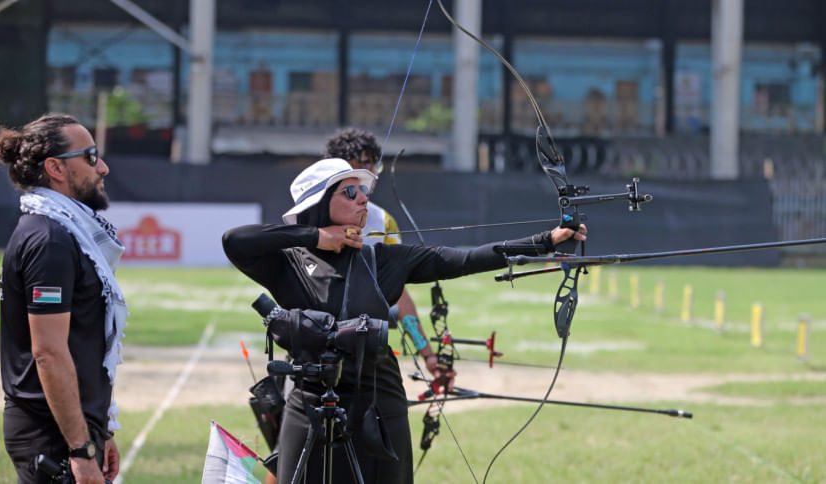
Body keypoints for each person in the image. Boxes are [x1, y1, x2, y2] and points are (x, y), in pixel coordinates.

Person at [222, 158, 586, 483]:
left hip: (378, 404)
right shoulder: (287, 264)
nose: (363, 198)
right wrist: (315, 236)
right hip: (310, 401)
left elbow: (463, 258)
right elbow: (234, 240)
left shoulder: (383, 260)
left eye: (362, 190)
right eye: (350, 191)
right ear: (319, 204)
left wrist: (545, 241)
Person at [0, 113, 126, 484]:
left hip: (70, 429)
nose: (102, 167)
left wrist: (101, 430)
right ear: (54, 167)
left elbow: (81, 343)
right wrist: (80, 450)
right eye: (90, 155)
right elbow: (48, 353)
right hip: (52, 435)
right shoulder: (49, 239)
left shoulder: (63, 230)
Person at [324, 128, 443, 382]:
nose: (374, 173)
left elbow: (398, 296)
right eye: (365, 164)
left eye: (375, 164)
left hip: (365, 347)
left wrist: (428, 354)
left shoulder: (382, 221)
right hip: (318, 348)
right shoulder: (312, 214)